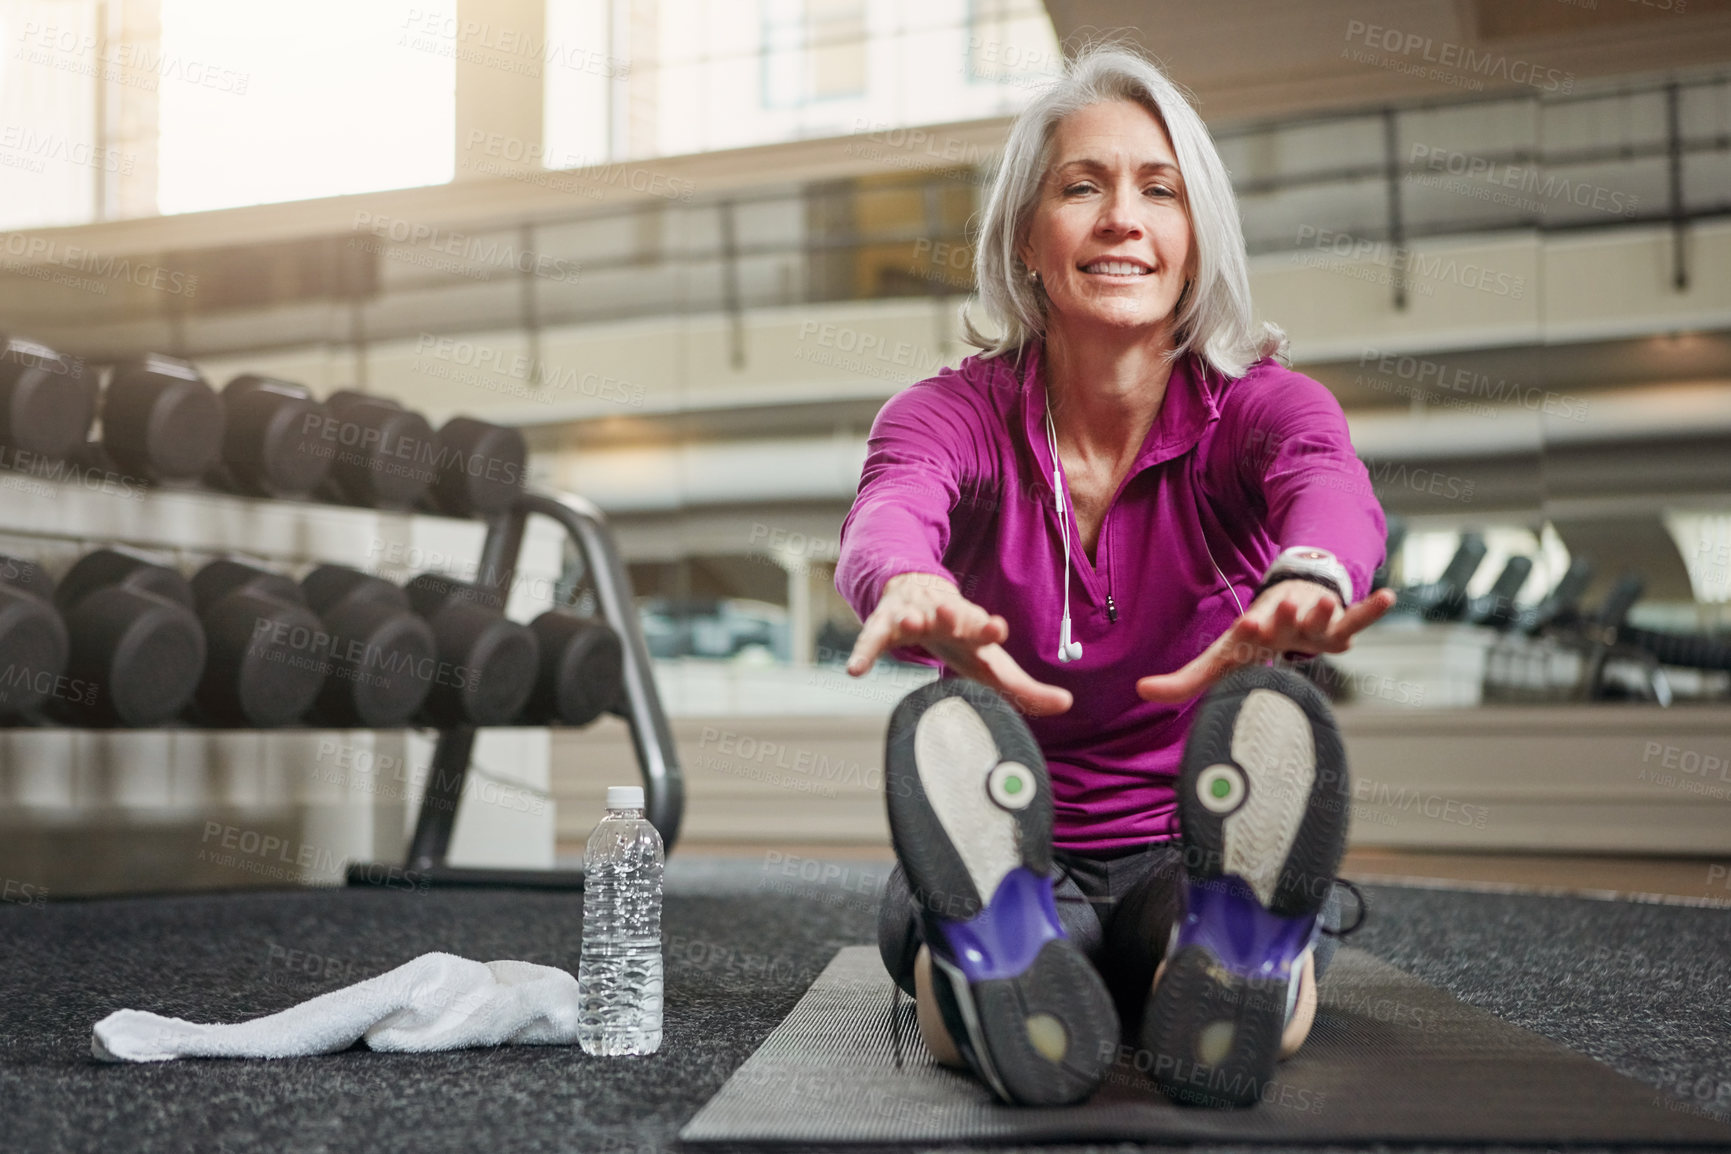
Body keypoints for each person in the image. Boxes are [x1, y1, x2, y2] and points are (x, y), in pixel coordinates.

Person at [834, 42, 1396, 1109]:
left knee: (1199, 958)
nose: (1121, 217)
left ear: (1195, 240)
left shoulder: (1259, 406)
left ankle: (1233, 935)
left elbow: (1324, 476)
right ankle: (999, 931)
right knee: (955, 942)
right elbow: (893, 502)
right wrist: (903, 581)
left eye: (1158, 189)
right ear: (1026, 241)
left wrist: (1310, 572)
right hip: (1008, 822)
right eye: (1080, 186)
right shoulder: (948, 413)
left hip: (1183, 834)